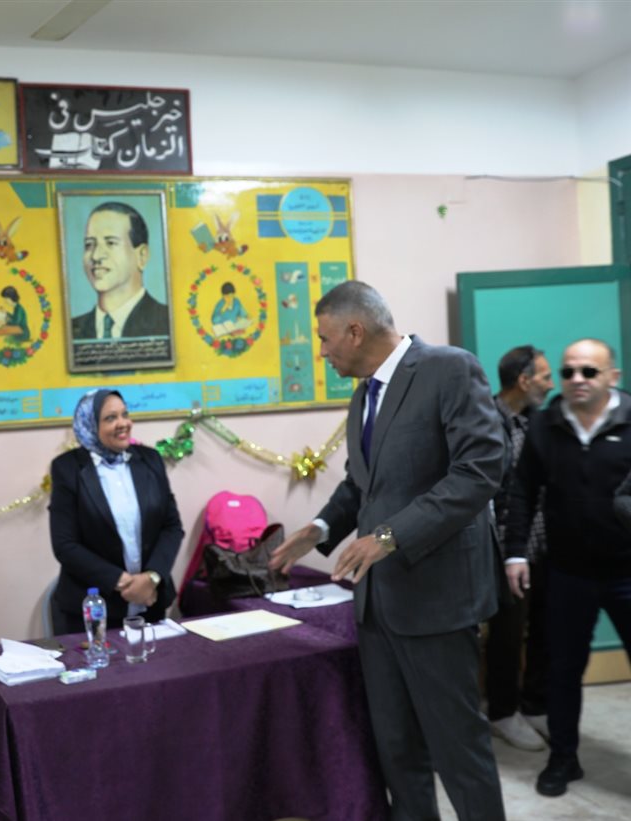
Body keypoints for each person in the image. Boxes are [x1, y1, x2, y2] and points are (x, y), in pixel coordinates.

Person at [269, 280, 506, 821]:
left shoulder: (448, 369)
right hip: (378, 605)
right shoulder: (363, 396)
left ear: (356, 331)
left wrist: (390, 535)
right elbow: (363, 483)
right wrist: (320, 528)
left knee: (458, 750)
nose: (322, 352)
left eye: (325, 338)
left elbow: (479, 471)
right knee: (397, 751)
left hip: (437, 599)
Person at [505, 338, 631, 798]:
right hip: (567, 573)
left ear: (612, 376)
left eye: (589, 372)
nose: (577, 379)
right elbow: (522, 492)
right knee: (561, 672)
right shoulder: (545, 425)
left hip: (627, 572)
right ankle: (563, 758)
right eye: (568, 371)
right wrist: (515, 553)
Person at [48, 389, 183, 634]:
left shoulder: (150, 460)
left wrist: (151, 578)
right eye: (110, 418)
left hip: (150, 603)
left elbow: (171, 526)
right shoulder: (67, 469)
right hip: (93, 610)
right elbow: (65, 544)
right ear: (90, 425)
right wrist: (125, 583)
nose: (123, 423)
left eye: (125, 414)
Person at [486, 345, 554, 751]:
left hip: (546, 542)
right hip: (504, 548)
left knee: (546, 627)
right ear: (524, 381)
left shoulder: (540, 420)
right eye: (545, 376)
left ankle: (534, 704)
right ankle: (502, 711)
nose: (551, 383)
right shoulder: (487, 421)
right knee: (507, 634)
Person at [70, 202, 170, 340]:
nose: (96, 256)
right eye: (89, 244)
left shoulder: (168, 322)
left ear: (142, 256)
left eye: (111, 243)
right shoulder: (70, 330)